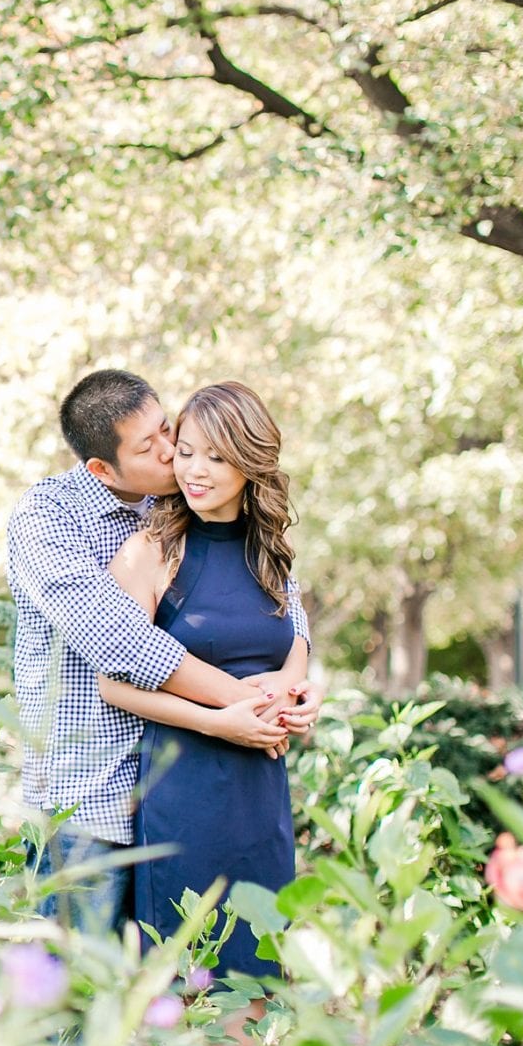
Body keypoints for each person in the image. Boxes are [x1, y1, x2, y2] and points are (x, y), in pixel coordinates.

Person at [7, 371, 319, 935]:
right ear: (103, 468)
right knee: (74, 999)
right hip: (93, 797)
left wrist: (296, 683)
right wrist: (247, 706)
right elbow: (121, 642)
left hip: (186, 786)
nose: (176, 453)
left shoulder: (190, 505)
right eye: (151, 448)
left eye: (168, 429)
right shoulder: (48, 520)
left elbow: (282, 610)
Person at [97, 380, 304, 983]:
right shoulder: (149, 552)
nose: (195, 470)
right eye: (185, 451)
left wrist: (294, 700)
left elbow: (294, 650)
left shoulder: (273, 551)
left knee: (260, 973)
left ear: (249, 459)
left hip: (261, 794)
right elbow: (117, 687)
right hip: (184, 791)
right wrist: (223, 721)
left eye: (216, 456)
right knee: (187, 982)